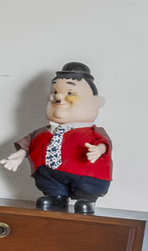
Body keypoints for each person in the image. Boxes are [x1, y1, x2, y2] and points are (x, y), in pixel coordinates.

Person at [14, 62, 113, 213]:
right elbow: (28, 143)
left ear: (96, 102)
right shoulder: (42, 132)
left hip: (85, 174)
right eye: (54, 92)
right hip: (50, 174)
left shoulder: (93, 132)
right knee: (50, 185)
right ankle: (56, 198)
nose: (59, 97)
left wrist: (98, 149)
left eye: (71, 93)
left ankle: (87, 200)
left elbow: (105, 144)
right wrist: (18, 155)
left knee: (86, 190)